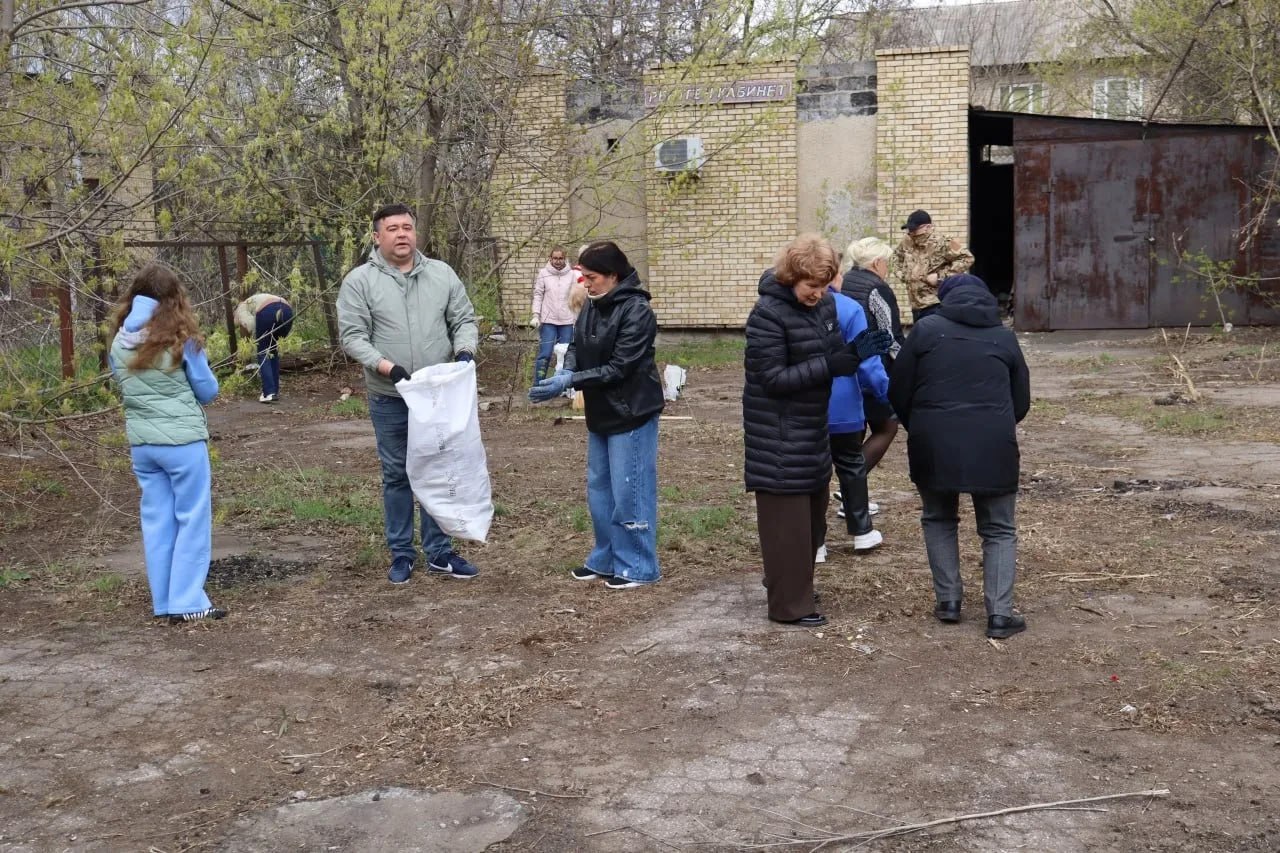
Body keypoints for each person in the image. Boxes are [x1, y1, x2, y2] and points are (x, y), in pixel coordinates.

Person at [743, 234, 892, 627]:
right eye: (812, 285)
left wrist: (855, 353)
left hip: (813, 426)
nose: (819, 293)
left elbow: (830, 353)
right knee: (786, 523)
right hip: (777, 432)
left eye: (825, 285)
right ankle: (789, 606)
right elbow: (772, 378)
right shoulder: (767, 315)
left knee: (810, 519)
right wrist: (831, 365)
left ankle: (795, 588)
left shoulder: (824, 305)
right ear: (792, 276)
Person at [337, 203, 482, 585]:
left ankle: (440, 551)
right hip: (390, 394)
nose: (402, 234)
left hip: (437, 395)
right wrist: (386, 366)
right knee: (397, 474)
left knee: (438, 470)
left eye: (407, 227)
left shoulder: (441, 274)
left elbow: (463, 319)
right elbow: (353, 336)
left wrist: (465, 351)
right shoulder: (360, 281)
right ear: (376, 237)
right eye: (392, 228)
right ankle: (402, 553)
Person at [889, 274, 1031, 639]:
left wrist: (921, 425)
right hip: (993, 445)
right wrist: (995, 424)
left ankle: (949, 601)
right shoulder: (1003, 336)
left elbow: (898, 389)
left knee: (938, 517)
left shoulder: (926, 331)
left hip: (933, 443)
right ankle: (1000, 615)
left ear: (945, 299)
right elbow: (1021, 400)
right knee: (998, 529)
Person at [528, 241, 663, 589]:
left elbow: (620, 367)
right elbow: (577, 345)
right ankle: (606, 557)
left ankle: (638, 565)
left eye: (591, 277)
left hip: (632, 412)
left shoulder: (637, 310)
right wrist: (566, 370)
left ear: (613, 275)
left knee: (630, 489)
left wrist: (571, 381)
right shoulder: (592, 303)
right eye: (583, 277)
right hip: (601, 411)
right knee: (600, 490)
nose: (585, 284)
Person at [108, 264, 224, 623]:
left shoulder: (118, 341)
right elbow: (208, 391)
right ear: (174, 298)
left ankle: (164, 601)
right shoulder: (181, 340)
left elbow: (122, 385)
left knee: (157, 521)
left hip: (143, 445)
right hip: (182, 442)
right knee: (192, 519)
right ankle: (187, 602)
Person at [837, 236, 906, 518]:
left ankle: (853, 496)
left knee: (857, 431)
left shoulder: (844, 282)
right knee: (887, 426)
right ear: (877, 262)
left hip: (844, 367)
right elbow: (889, 337)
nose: (887, 268)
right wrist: (907, 365)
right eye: (886, 262)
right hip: (872, 368)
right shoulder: (878, 289)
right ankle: (850, 492)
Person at [826, 269, 891, 552]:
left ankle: (816, 543)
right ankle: (862, 531)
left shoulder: (791, 307)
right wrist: (883, 392)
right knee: (851, 463)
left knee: (814, 471)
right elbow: (867, 361)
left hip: (804, 405)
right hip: (843, 405)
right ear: (831, 276)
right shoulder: (848, 308)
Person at [892, 210, 974, 323]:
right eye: (909, 229)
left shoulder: (943, 242)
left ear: (928, 227)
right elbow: (896, 257)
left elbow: (967, 258)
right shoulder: (907, 241)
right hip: (915, 305)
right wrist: (903, 274)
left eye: (915, 229)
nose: (911, 233)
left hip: (936, 303)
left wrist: (941, 276)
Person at [234, 293, 294, 403]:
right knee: (272, 351)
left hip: (268, 311)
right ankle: (274, 391)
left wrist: (248, 346)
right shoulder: (255, 299)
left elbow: (249, 325)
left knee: (263, 351)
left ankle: (269, 393)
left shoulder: (241, 308)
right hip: (287, 311)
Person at [531, 246, 577, 382]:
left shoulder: (571, 275)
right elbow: (538, 295)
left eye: (560, 258)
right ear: (550, 259)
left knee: (566, 355)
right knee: (545, 354)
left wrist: (577, 317)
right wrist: (536, 315)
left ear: (565, 258)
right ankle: (538, 384)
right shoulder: (543, 273)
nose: (558, 261)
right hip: (548, 321)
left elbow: (575, 297)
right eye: (555, 258)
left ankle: (563, 385)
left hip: (567, 321)